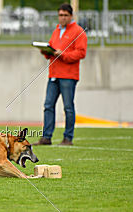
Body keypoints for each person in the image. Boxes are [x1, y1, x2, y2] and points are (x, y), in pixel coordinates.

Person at [34, 3, 87, 146]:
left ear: (71, 16)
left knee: (68, 107)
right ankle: (46, 137)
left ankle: (68, 138)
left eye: (65, 15)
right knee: (48, 105)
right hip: (54, 74)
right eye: (60, 15)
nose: (62, 18)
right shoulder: (56, 31)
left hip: (68, 76)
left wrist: (63, 55)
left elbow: (81, 53)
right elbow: (52, 47)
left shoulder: (78, 31)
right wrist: (46, 51)